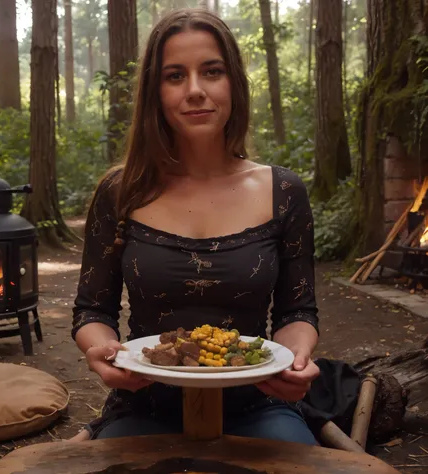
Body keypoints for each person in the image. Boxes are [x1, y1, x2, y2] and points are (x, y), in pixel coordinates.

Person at [71, 7, 320, 444]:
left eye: (211, 71)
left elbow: (297, 312)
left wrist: (296, 359)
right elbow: (92, 311)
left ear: (234, 83)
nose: (195, 91)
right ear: (155, 92)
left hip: (259, 403)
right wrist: (102, 351)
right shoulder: (119, 192)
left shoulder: (284, 192)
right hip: (143, 403)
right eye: (174, 76)